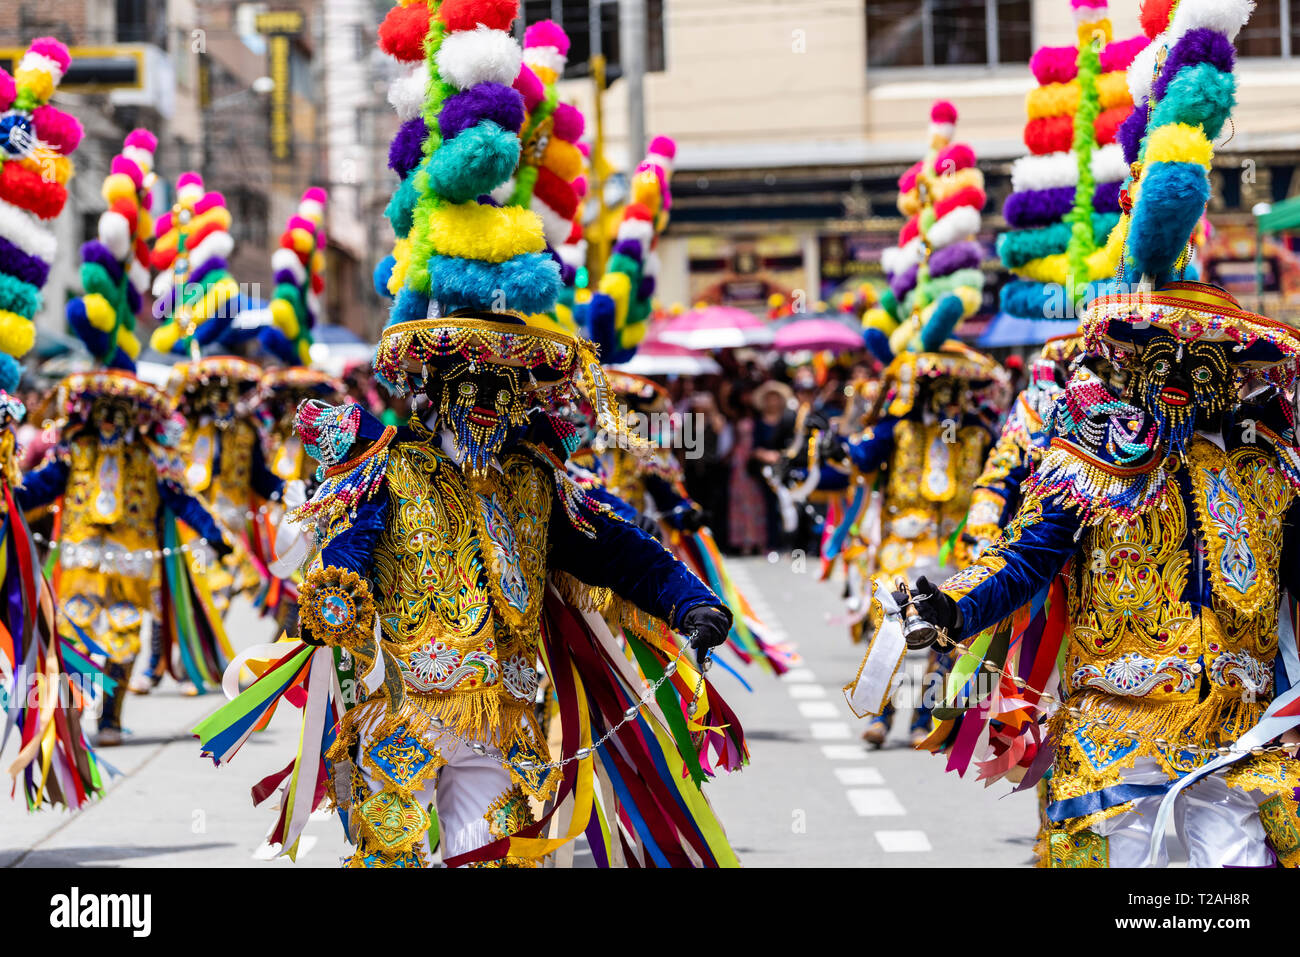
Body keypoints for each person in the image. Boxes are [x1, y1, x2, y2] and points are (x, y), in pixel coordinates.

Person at [197, 0, 739, 868]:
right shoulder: (390, 471)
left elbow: (617, 552)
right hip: (402, 722)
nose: (487, 402)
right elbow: (346, 557)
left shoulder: (538, 482)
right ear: (434, 391)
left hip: (509, 722)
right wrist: (334, 595)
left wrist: (690, 602)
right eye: (470, 384)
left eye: (504, 387)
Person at [893, 0, 1300, 866]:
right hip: (1117, 734)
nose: (1196, 375)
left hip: (1241, 735)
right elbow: (1035, 554)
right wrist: (955, 602)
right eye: (1171, 357)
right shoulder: (1097, 446)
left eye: (1214, 360)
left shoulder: (1269, 465)